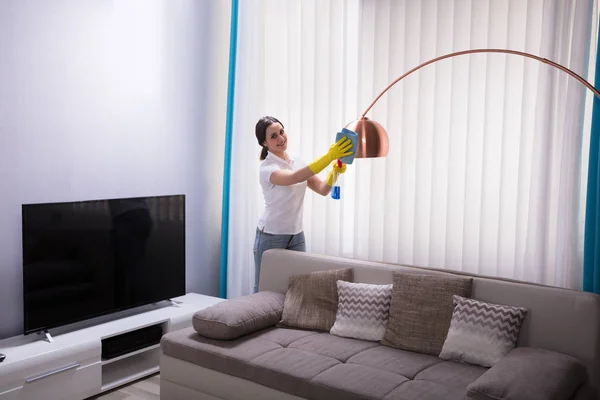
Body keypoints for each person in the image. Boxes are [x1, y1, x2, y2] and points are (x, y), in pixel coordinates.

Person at [253, 116, 353, 292]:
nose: (281, 138)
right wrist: (330, 156)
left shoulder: (297, 162)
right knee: (264, 288)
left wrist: (335, 172)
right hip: (271, 236)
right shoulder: (267, 169)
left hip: (296, 234)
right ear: (264, 143)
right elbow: (295, 177)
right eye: (273, 136)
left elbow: (322, 189)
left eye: (281, 132)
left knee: (298, 287)